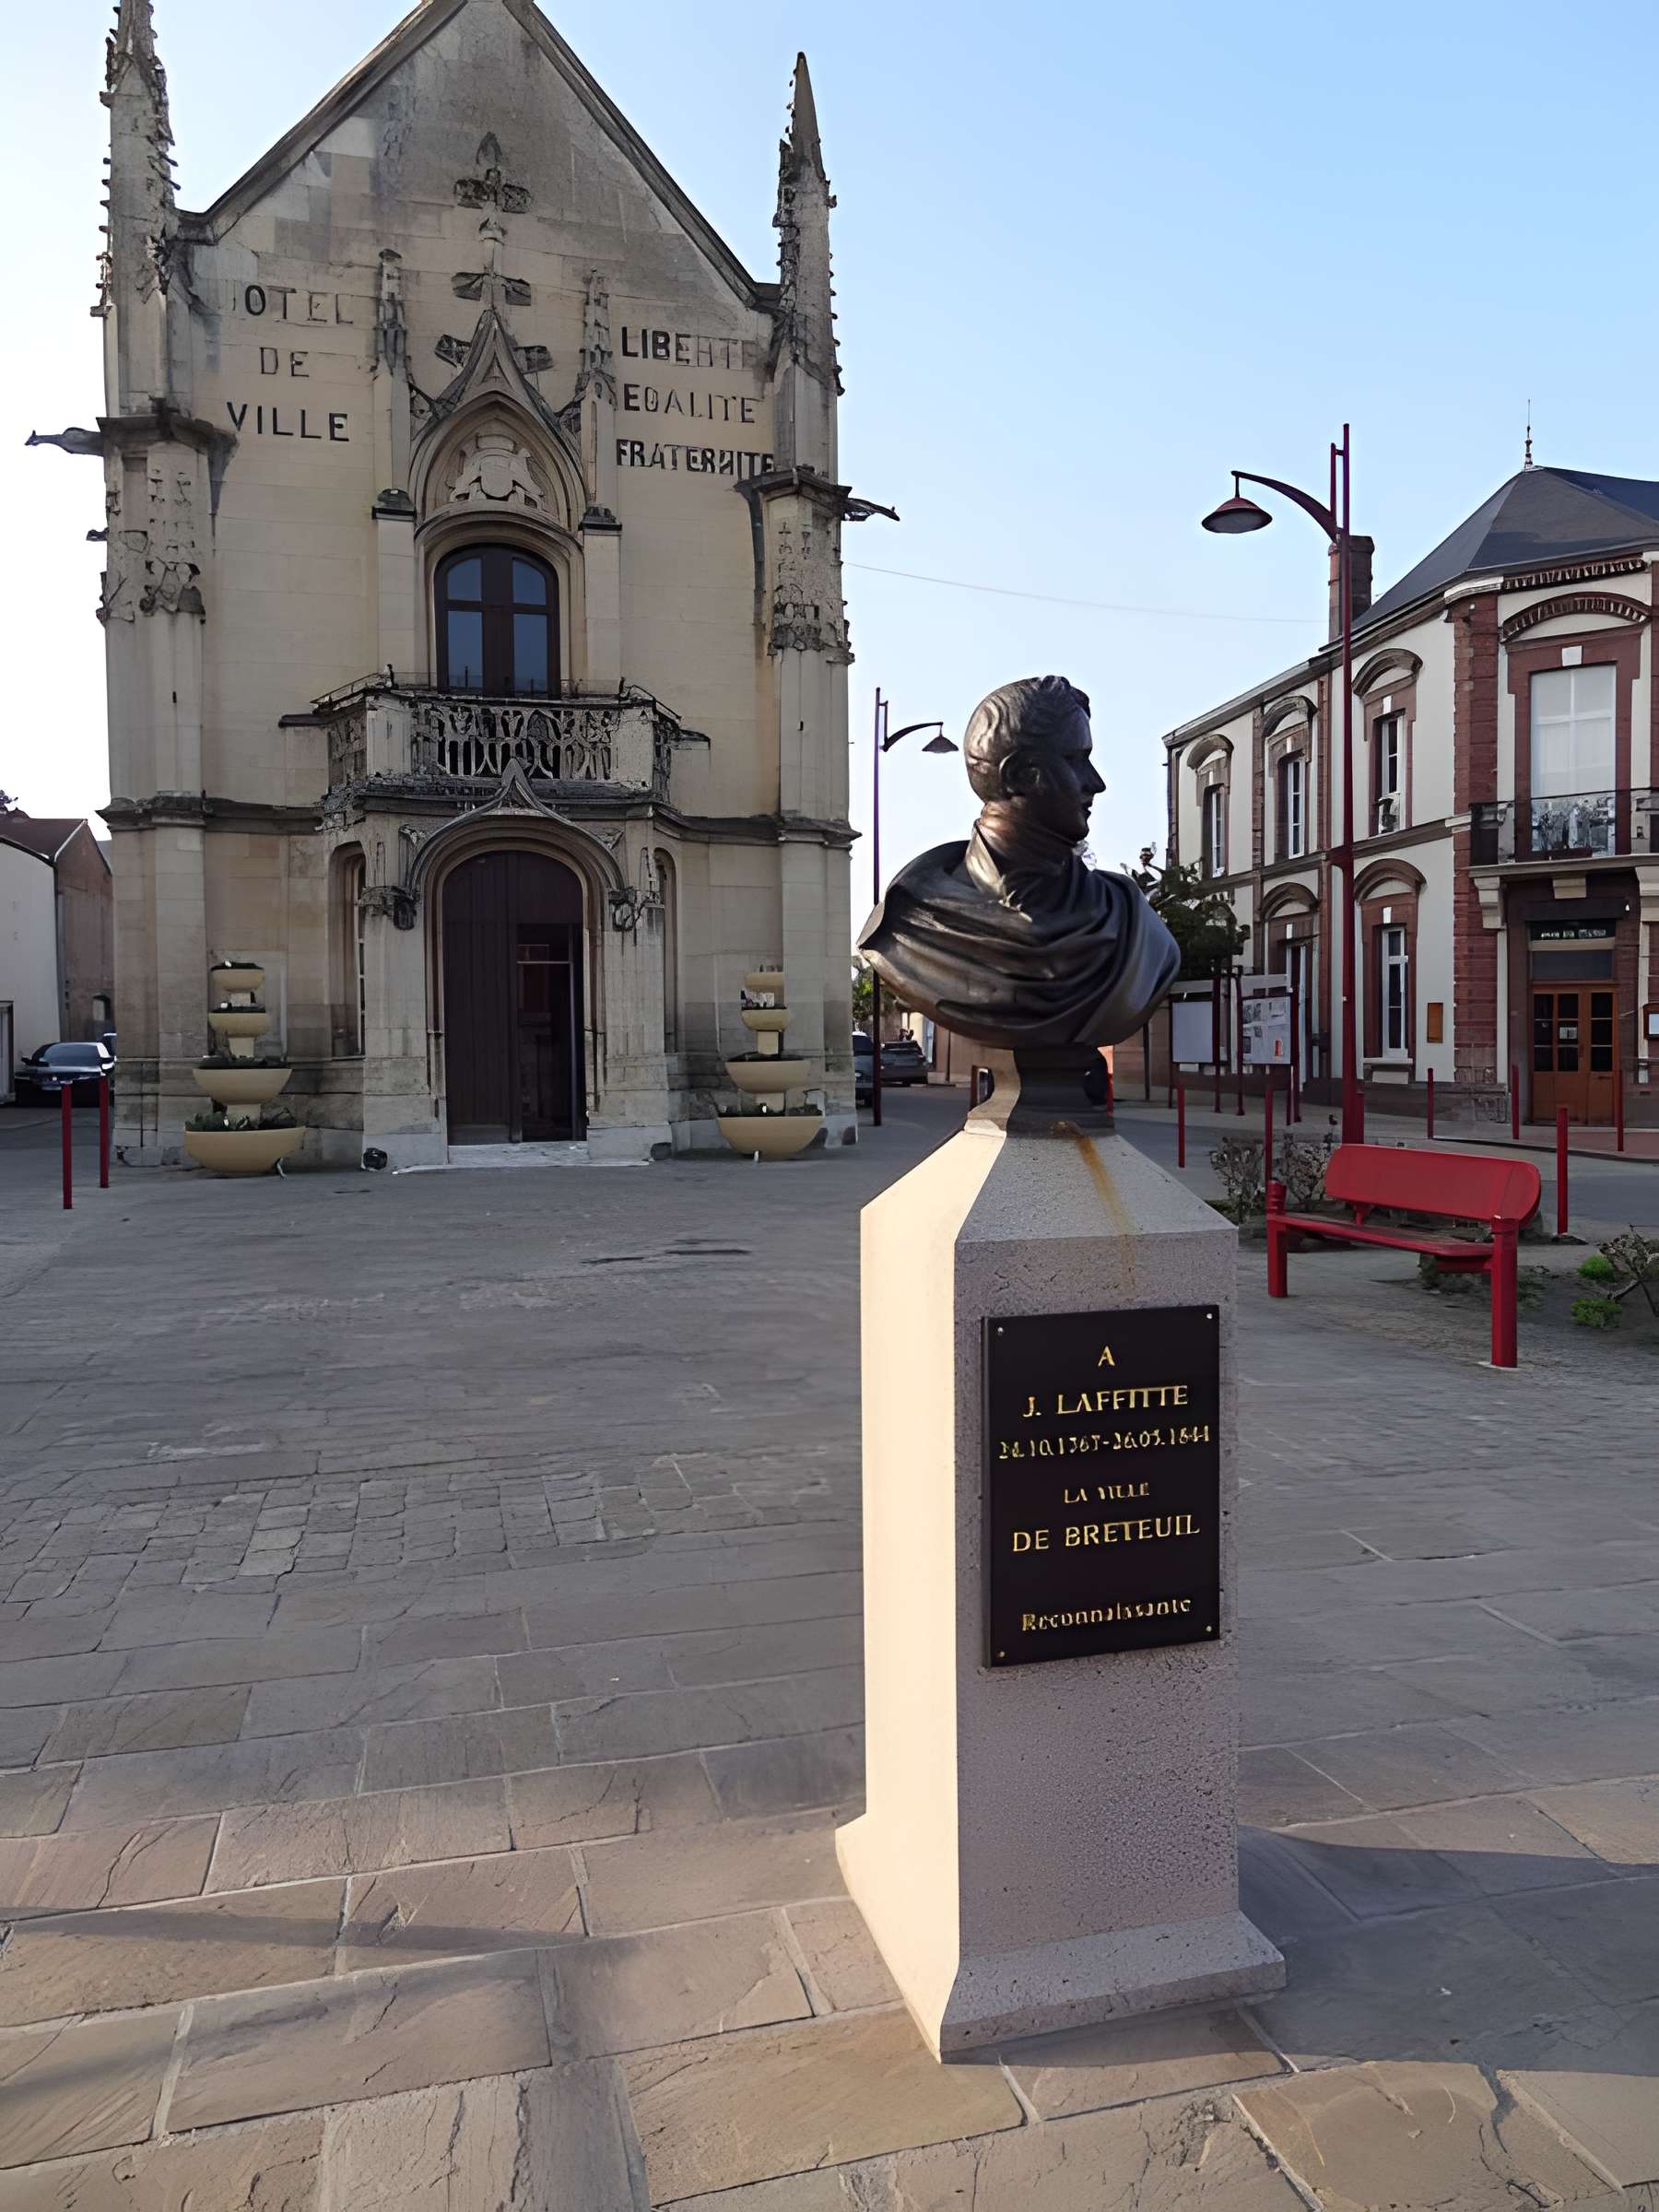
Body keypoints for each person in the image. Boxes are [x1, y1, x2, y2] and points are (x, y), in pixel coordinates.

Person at [858, 675, 1179, 1050]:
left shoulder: (1131, 921)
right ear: (1021, 775)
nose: (1096, 782)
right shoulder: (908, 924)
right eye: (1076, 760)